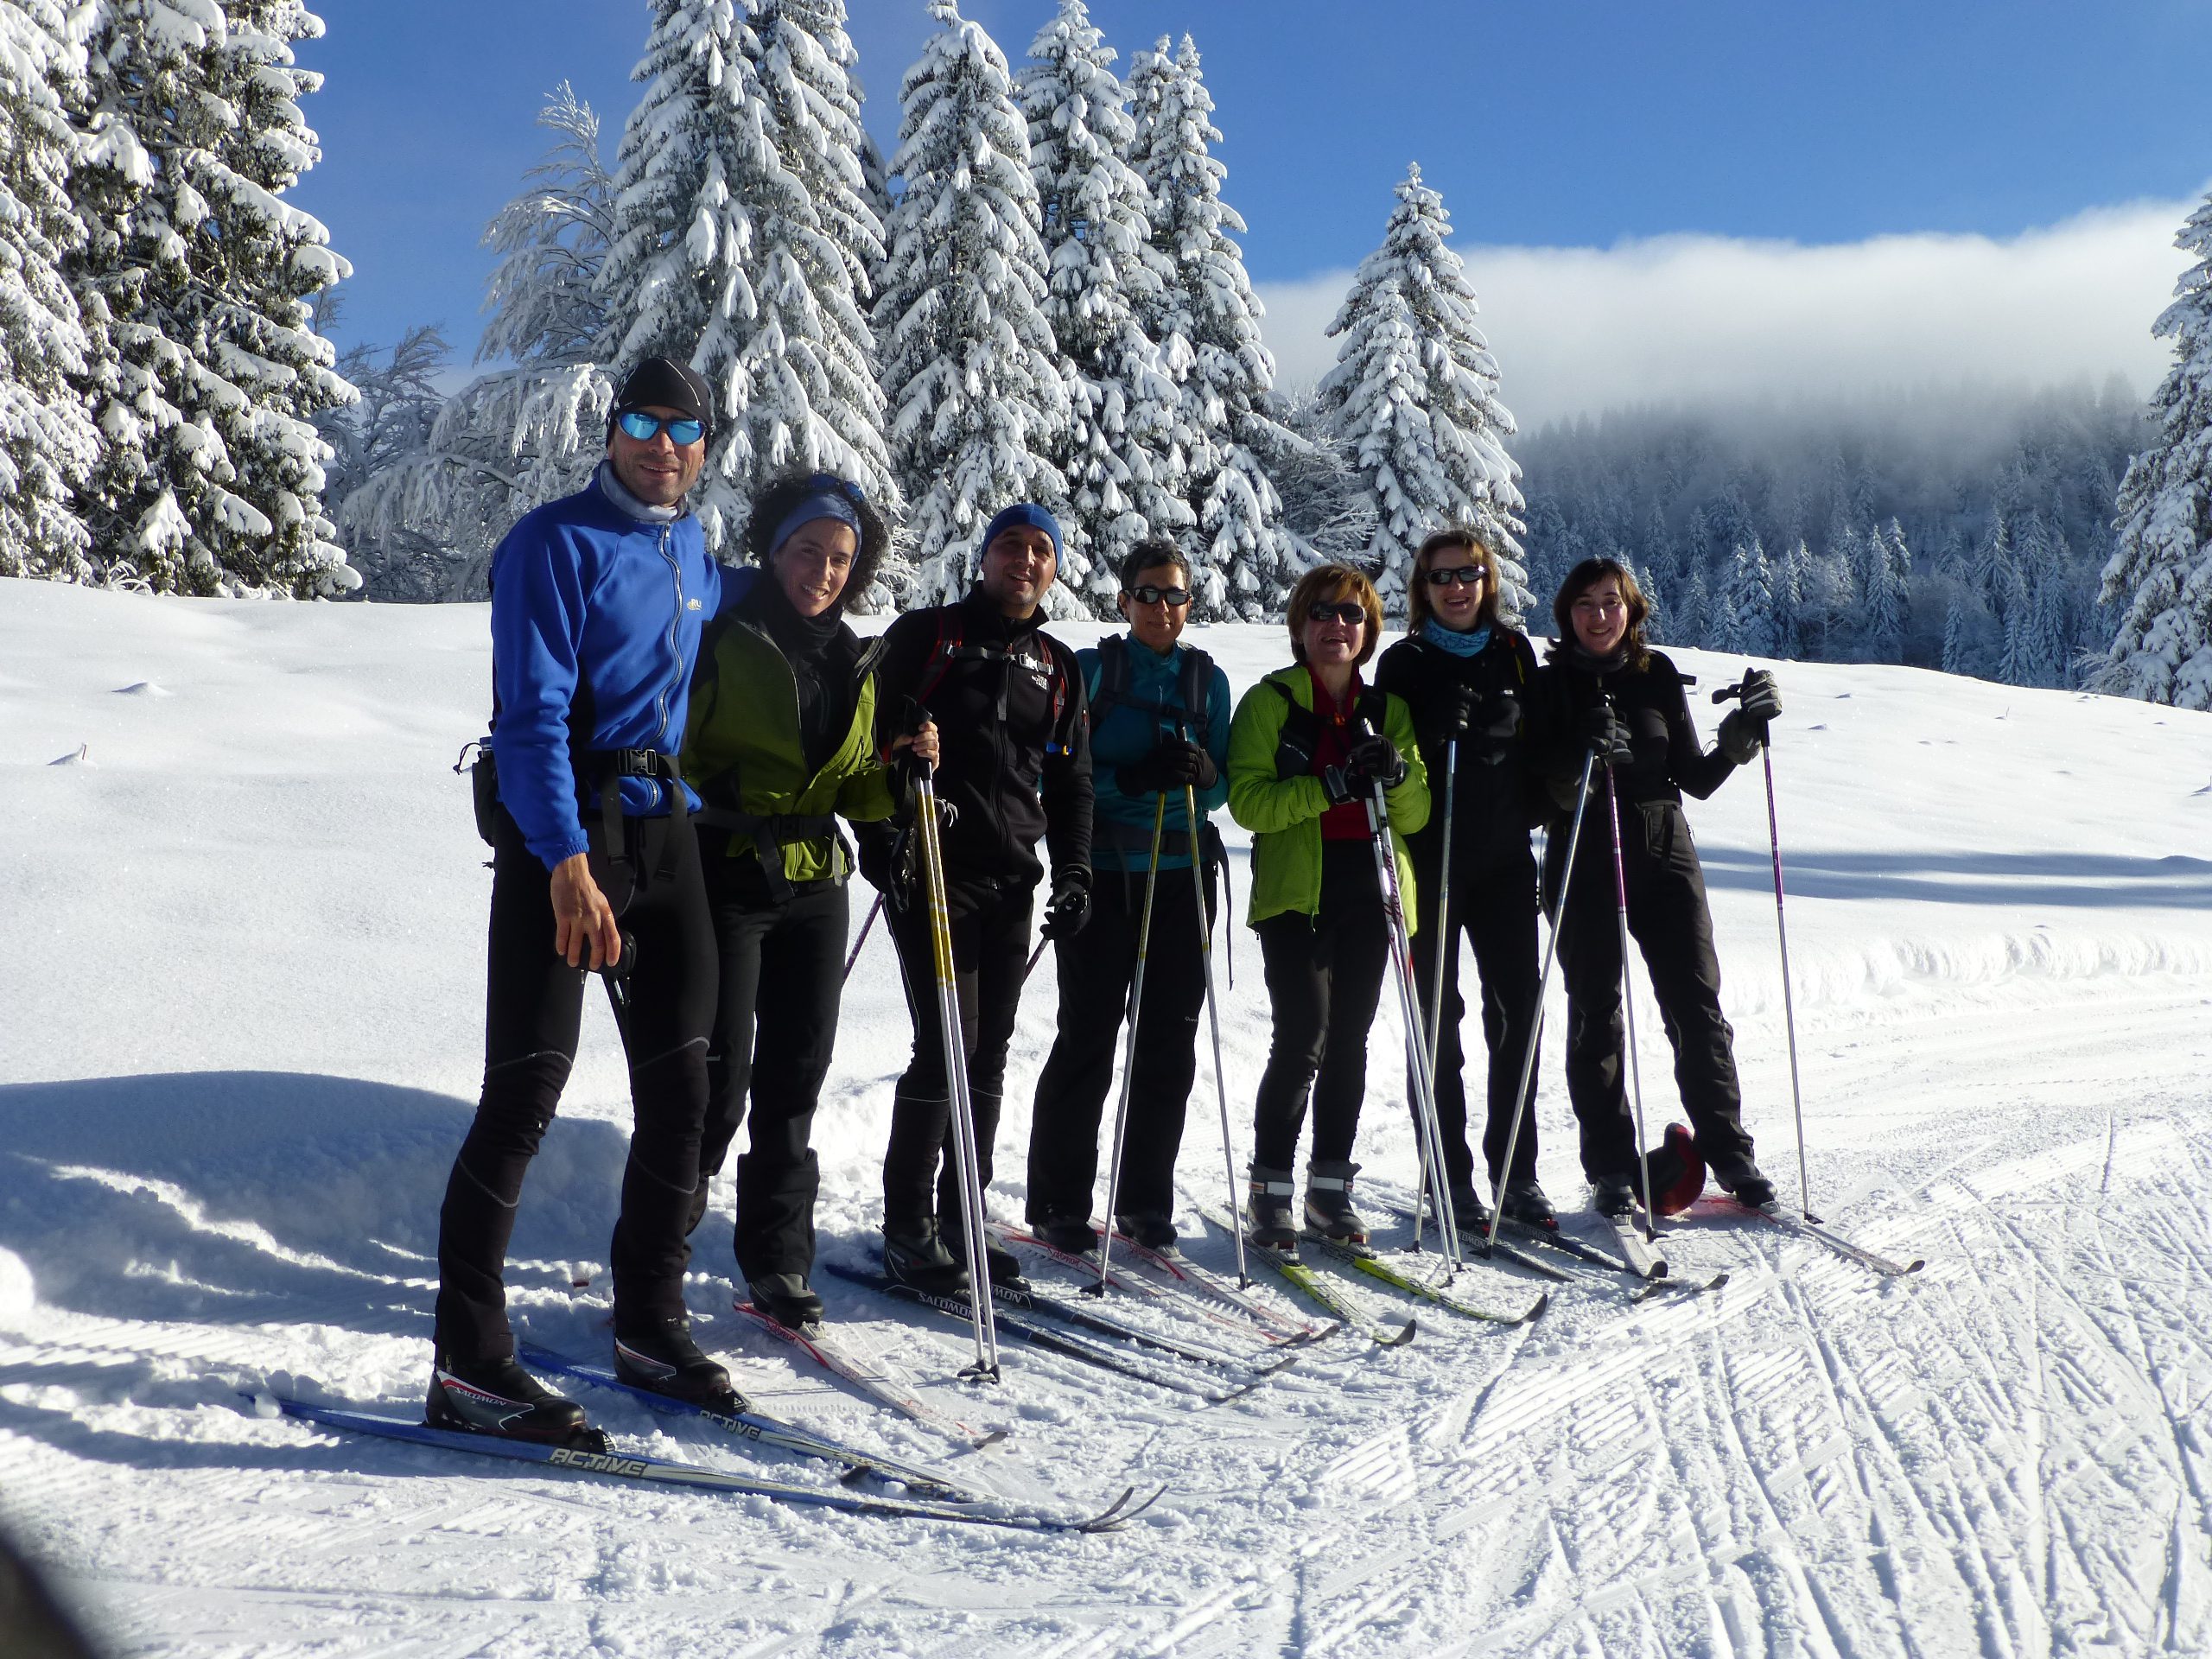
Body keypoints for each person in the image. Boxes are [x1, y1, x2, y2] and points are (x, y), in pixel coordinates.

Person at [431, 356, 739, 1445]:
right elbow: (531, 710)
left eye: (684, 428)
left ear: (706, 446)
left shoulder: (695, 549)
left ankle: (649, 1325)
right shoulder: (552, 540)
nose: (663, 444)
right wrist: (561, 856)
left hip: (667, 832)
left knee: (686, 1094)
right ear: (610, 433)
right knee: (523, 1097)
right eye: (642, 423)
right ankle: (468, 1364)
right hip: (568, 838)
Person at [680, 470, 938, 1330]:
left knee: (796, 1075)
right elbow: (671, 750)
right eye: (806, 552)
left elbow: (855, 784)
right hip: (725, 870)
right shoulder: (723, 635)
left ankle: (779, 1263)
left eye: (839, 559)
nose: (822, 572)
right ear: (775, 548)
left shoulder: (851, 656)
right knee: (716, 1077)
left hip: (815, 882)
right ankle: (665, 1231)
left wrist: (896, 775)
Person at [861, 505, 1094, 1292]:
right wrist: (882, 837)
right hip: (929, 869)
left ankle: (963, 1220)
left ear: (1055, 566)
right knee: (945, 1045)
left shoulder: (1057, 665)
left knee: (988, 1053)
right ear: (984, 556)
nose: (1023, 561)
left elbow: (1071, 784)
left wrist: (1076, 874)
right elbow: (869, 740)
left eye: (1040, 550)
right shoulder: (927, 637)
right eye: (1009, 546)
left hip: (1013, 879)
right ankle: (907, 1229)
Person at [1539, 556, 1783, 1214]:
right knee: (1596, 1009)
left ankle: (1730, 1150)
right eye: (1585, 604)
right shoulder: (1551, 683)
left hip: (1663, 844)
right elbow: (1540, 797)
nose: (1598, 615)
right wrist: (1581, 759)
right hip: (1583, 851)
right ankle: (1611, 1168)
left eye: (1611, 602)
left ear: (1632, 610)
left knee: (1696, 1004)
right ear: (1567, 613)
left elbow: (1694, 778)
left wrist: (1740, 737)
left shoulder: (1656, 674)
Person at [1024, 541, 1233, 1255]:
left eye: (1173, 596)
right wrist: (1132, 782)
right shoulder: (1091, 672)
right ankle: (1058, 1201)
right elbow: (1061, 775)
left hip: (1181, 878)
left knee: (1169, 1044)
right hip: (1105, 873)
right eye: (1147, 594)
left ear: (1190, 603)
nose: (1161, 608)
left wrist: (1202, 774)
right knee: (1087, 1038)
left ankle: (1146, 1202)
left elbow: (1223, 789)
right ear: (1123, 601)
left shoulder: (1208, 682)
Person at [1225, 563, 1429, 1249]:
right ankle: (1271, 1190)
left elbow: (1418, 811)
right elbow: (1248, 801)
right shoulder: (1270, 703)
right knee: (1303, 1037)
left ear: (1368, 630)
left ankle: (1331, 1190)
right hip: (1295, 897)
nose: (1336, 626)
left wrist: (1394, 775)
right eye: (1322, 614)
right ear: (1300, 626)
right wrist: (1329, 786)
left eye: (1351, 615)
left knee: (1349, 1042)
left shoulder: (1389, 710)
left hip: (1373, 892)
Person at [1373, 527, 1554, 1230]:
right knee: (1435, 1024)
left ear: (1487, 579)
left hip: (1506, 860)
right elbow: (1385, 752)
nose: (1457, 587)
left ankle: (1517, 1171)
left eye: (1469, 574)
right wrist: (1428, 734)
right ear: (1424, 587)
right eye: (1443, 577)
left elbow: (1542, 753)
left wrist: (1518, 733)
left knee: (1517, 1016)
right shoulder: (1405, 661)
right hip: (1430, 861)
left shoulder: (1514, 651)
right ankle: (1447, 1177)